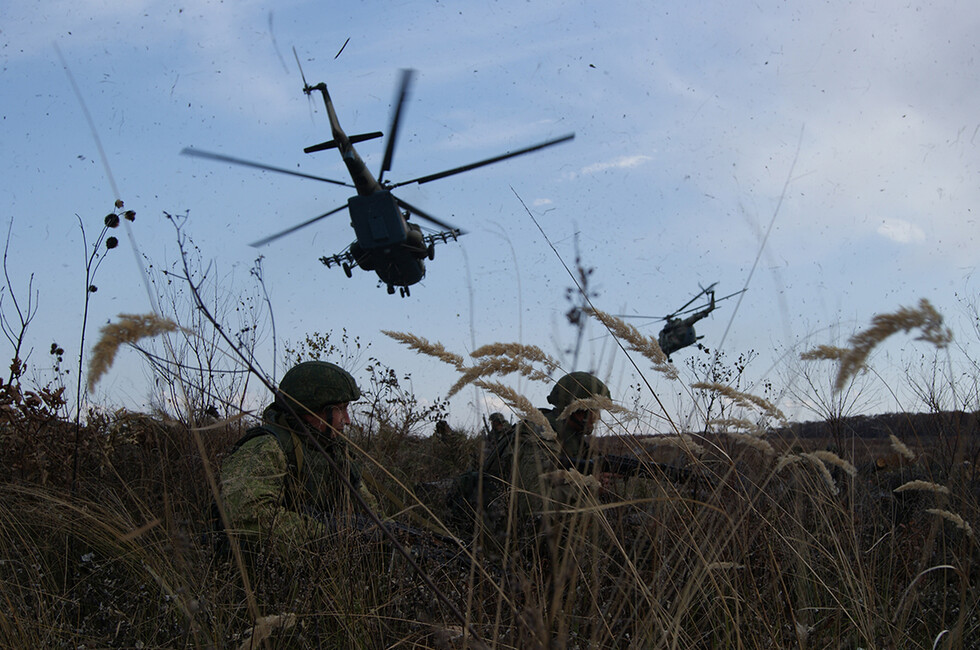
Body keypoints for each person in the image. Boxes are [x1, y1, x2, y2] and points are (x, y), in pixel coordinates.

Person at [218, 360, 377, 556]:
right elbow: (246, 516)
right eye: (340, 409)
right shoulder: (266, 447)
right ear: (312, 409)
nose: (347, 419)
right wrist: (329, 534)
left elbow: (368, 507)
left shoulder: (335, 451)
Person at [478, 372, 611, 550]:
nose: (598, 417)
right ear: (579, 411)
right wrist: (588, 485)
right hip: (495, 528)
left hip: (510, 518)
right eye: (596, 410)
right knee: (588, 506)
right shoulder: (540, 435)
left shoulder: (569, 436)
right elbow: (532, 504)